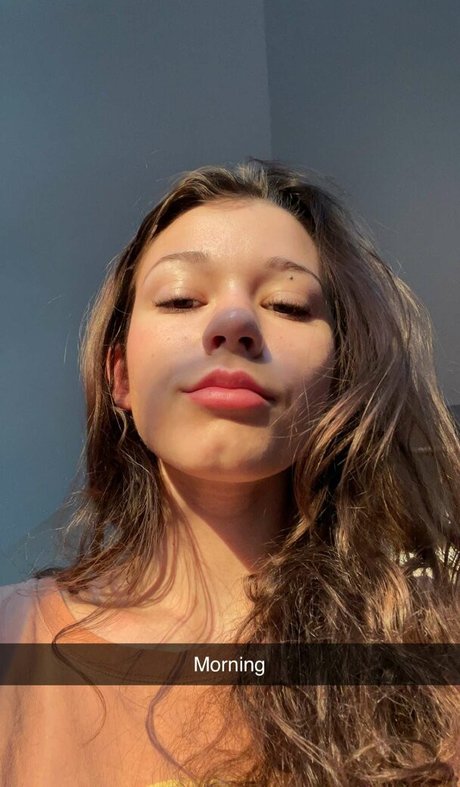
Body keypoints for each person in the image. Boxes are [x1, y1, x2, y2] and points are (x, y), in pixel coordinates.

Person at [1, 158, 459, 786]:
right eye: (182, 298)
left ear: (338, 379)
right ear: (121, 376)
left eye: (288, 305)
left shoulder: (432, 652)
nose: (235, 324)